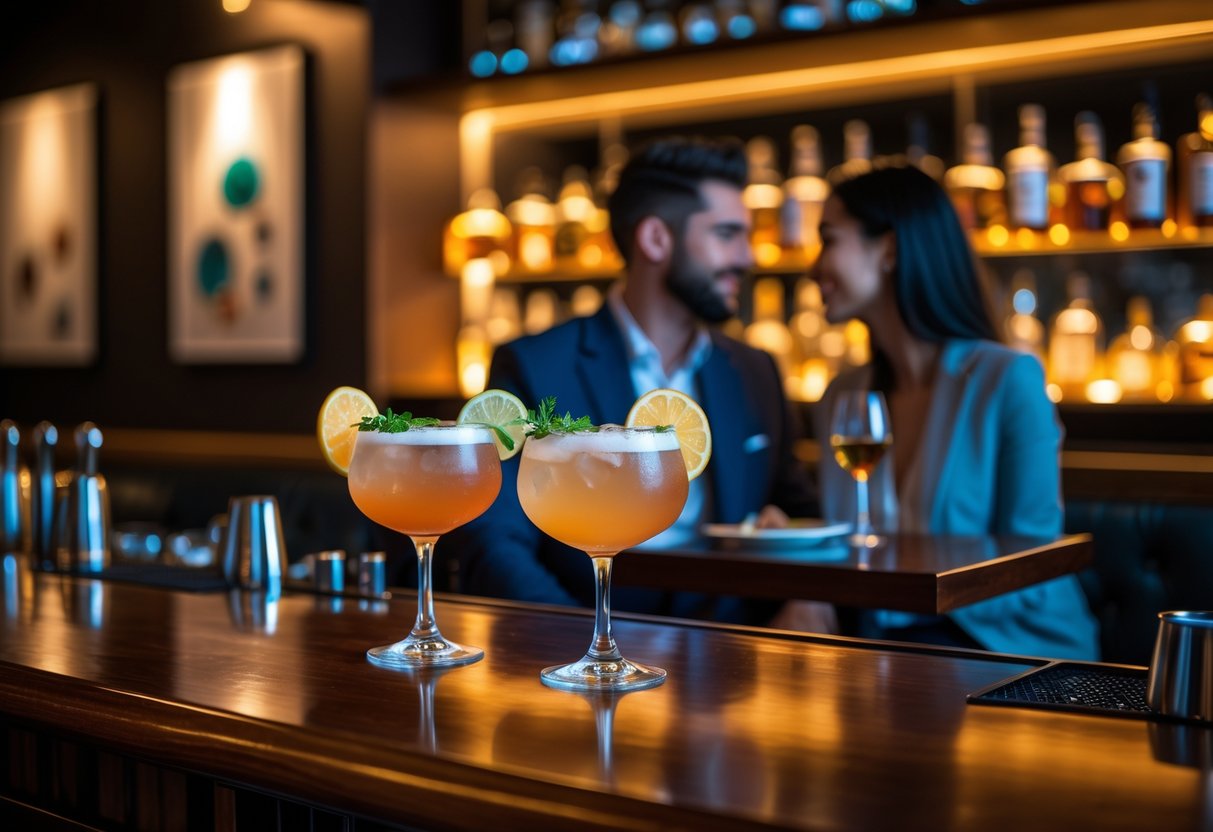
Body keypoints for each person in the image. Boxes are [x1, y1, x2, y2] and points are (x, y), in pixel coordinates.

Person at [445, 136, 816, 624]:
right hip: (587, 644)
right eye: (728, 235)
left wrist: (810, 597)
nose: (748, 258)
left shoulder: (754, 370)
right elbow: (494, 544)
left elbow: (802, 513)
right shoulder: (536, 366)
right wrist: (587, 650)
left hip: (739, 654)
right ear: (656, 239)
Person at [808, 164, 1098, 660]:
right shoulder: (843, 396)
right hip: (887, 655)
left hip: (1014, 651)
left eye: (829, 240)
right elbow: (847, 542)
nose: (814, 267)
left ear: (890, 249)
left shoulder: (1009, 380)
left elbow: (1031, 559)